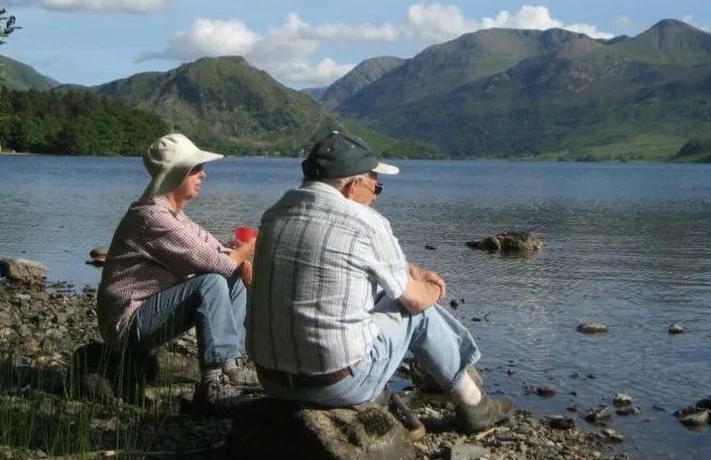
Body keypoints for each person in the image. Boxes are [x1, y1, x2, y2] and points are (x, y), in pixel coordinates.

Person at [246, 131, 513, 432]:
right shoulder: (365, 224)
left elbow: (339, 266)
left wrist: (406, 270)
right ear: (351, 185)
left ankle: (458, 382)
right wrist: (434, 287)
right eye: (377, 186)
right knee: (419, 313)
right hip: (335, 385)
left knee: (372, 297)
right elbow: (415, 300)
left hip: (270, 379)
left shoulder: (274, 216)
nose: (376, 195)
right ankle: (475, 404)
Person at [97, 133, 258, 406]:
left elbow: (212, 249)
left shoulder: (171, 214)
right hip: (128, 322)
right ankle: (214, 381)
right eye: (195, 169)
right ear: (176, 174)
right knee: (212, 282)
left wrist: (238, 255)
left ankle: (231, 365)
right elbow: (219, 263)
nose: (203, 174)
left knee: (228, 279)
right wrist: (243, 253)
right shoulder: (152, 217)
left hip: (148, 313)